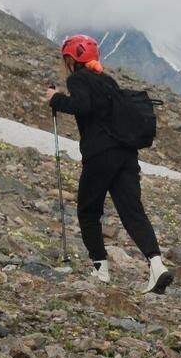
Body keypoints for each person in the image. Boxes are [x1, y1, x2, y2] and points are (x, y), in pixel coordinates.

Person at [44, 34, 172, 294]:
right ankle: (157, 265)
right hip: (126, 154)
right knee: (132, 210)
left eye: (65, 59)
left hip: (101, 154)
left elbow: (83, 105)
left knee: (89, 210)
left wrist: (55, 99)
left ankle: (100, 270)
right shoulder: (107, 81)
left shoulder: (78, 78)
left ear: (72, 60)